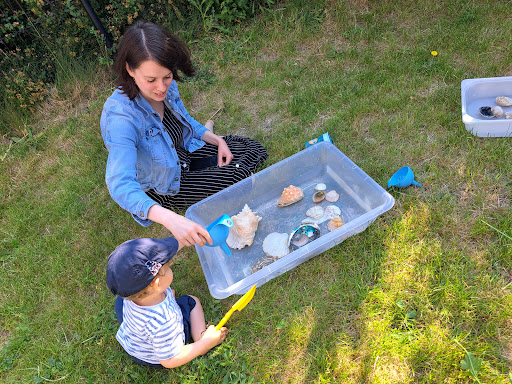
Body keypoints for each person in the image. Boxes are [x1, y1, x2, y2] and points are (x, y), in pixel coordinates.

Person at [100, 21, 267, 247]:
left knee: (252, 149)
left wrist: (216, 140)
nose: (161, 87)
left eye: (167, 76)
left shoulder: (168, 88)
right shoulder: (121, 118)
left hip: (181, 155)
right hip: (164, 184)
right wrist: (170, 219)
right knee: (241, 177)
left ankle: (209, 161)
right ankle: (168, 199)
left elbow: (185, 121)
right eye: (151, 80)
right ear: (130, 69)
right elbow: (119, 183)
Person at [106, 236, 227, 368]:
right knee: (191, 301)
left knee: (119, 303)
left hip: (136, 343)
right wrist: (204, 344)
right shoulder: (164, 321)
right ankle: (202, 338)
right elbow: (169, 360)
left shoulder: (130, 293)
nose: (170, 268)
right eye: (167, 267)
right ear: (157, 285)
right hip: (156, 356)